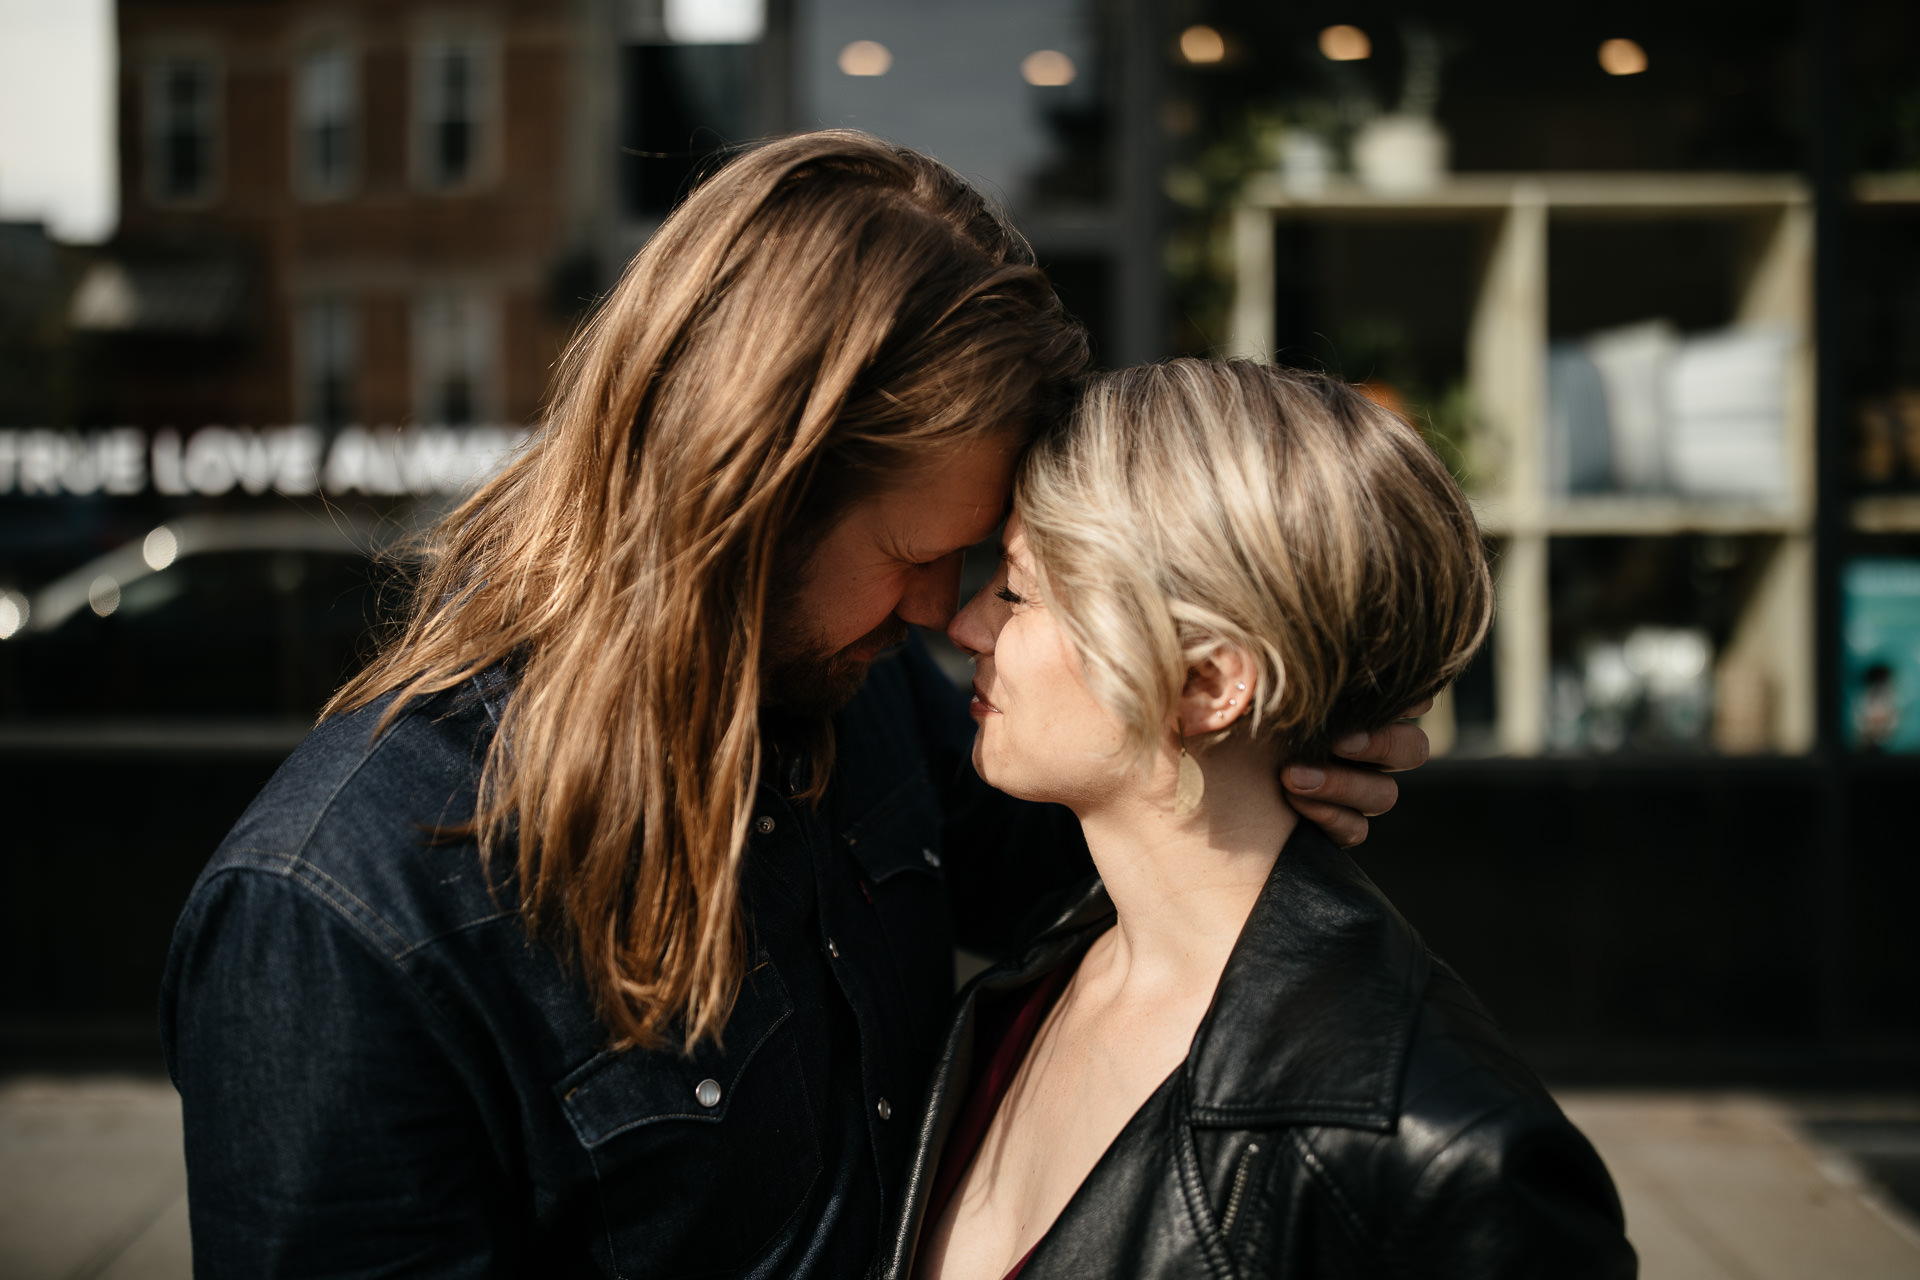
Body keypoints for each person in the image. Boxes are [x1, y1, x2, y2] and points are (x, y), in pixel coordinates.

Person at [159, 134, 1426, 1277]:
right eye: (915, 552)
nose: (942, 610)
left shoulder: (850, 695)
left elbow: (1099, 880)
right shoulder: (338, 910)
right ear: (745, 500)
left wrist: (1282, 744)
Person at [890, 360, 1635, 1279]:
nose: (965, 628)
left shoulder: (1436, 1153)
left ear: (1207, 683)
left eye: (1015, 589)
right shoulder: (1029, 990)